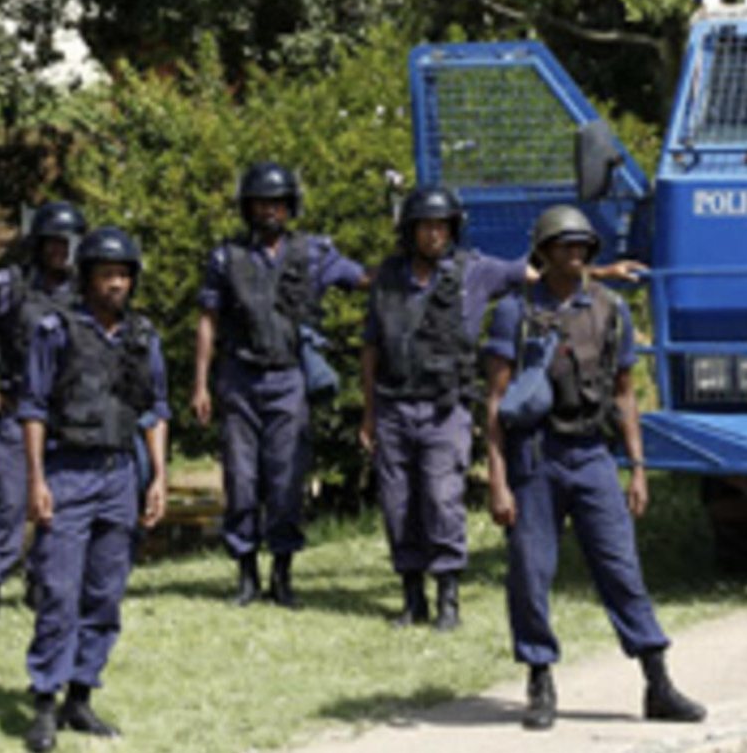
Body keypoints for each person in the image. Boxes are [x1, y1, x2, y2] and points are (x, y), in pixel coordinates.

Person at [360, 187, 643, 630]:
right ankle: (411, 597)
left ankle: (447, 599)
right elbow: (371, 349)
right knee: (398, 505)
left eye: (442, 226)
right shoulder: (389, 281)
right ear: (410, 230)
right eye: (425, 226)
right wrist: (369, 412)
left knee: (441, 500)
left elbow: (543, 272)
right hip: (394, 405)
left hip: (444, 406)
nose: (434, 234)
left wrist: (599, 270)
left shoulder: (477, 271)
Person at [483, 205, 704, 731]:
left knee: (621, 570)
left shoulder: (609, 310)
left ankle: (657, 681)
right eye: (564, 245)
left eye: (583, 245)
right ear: (543, 252)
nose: (576, 253)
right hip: (536, 455)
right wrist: (497, 479)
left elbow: (626, 395)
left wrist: (639, 468)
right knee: (530, 573)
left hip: (592, 455)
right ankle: (539, 679)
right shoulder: (514, 313)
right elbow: (493, 402)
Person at [191, 162, 367, 608]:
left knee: (287, 480)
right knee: (242, 480)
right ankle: (246, 574)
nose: (270, 211)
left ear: (291, 207)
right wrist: (200, 385)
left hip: (288, 378)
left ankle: (282, 575)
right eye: (261, 202)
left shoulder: (312, 254)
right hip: (239, 378)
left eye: (278, 203)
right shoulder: (225, 257)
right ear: (247, 207)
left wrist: (405, 259)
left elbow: (361, 278)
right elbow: (208, 322)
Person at [19, 226, 168, 752]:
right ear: (87, 279)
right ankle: (43, 701)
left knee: (105, 591)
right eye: (107, 275)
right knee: (58, 590)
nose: (116, 285)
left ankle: (80, 696)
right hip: (67, 470)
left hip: (120, 474)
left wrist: (158, 478)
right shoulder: (55, 330)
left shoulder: (142, 338)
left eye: (124, 275)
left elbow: (154, 411)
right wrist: (36, 480)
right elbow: (33, 408)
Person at [0, 201, 88, 619]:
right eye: (51, 243)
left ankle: (42, 582)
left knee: (61, 503)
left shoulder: (87, 292)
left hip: (68, 415)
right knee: (8, 497)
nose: (59, 252)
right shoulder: (9, 284)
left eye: (66, 244)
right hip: (16, 407)